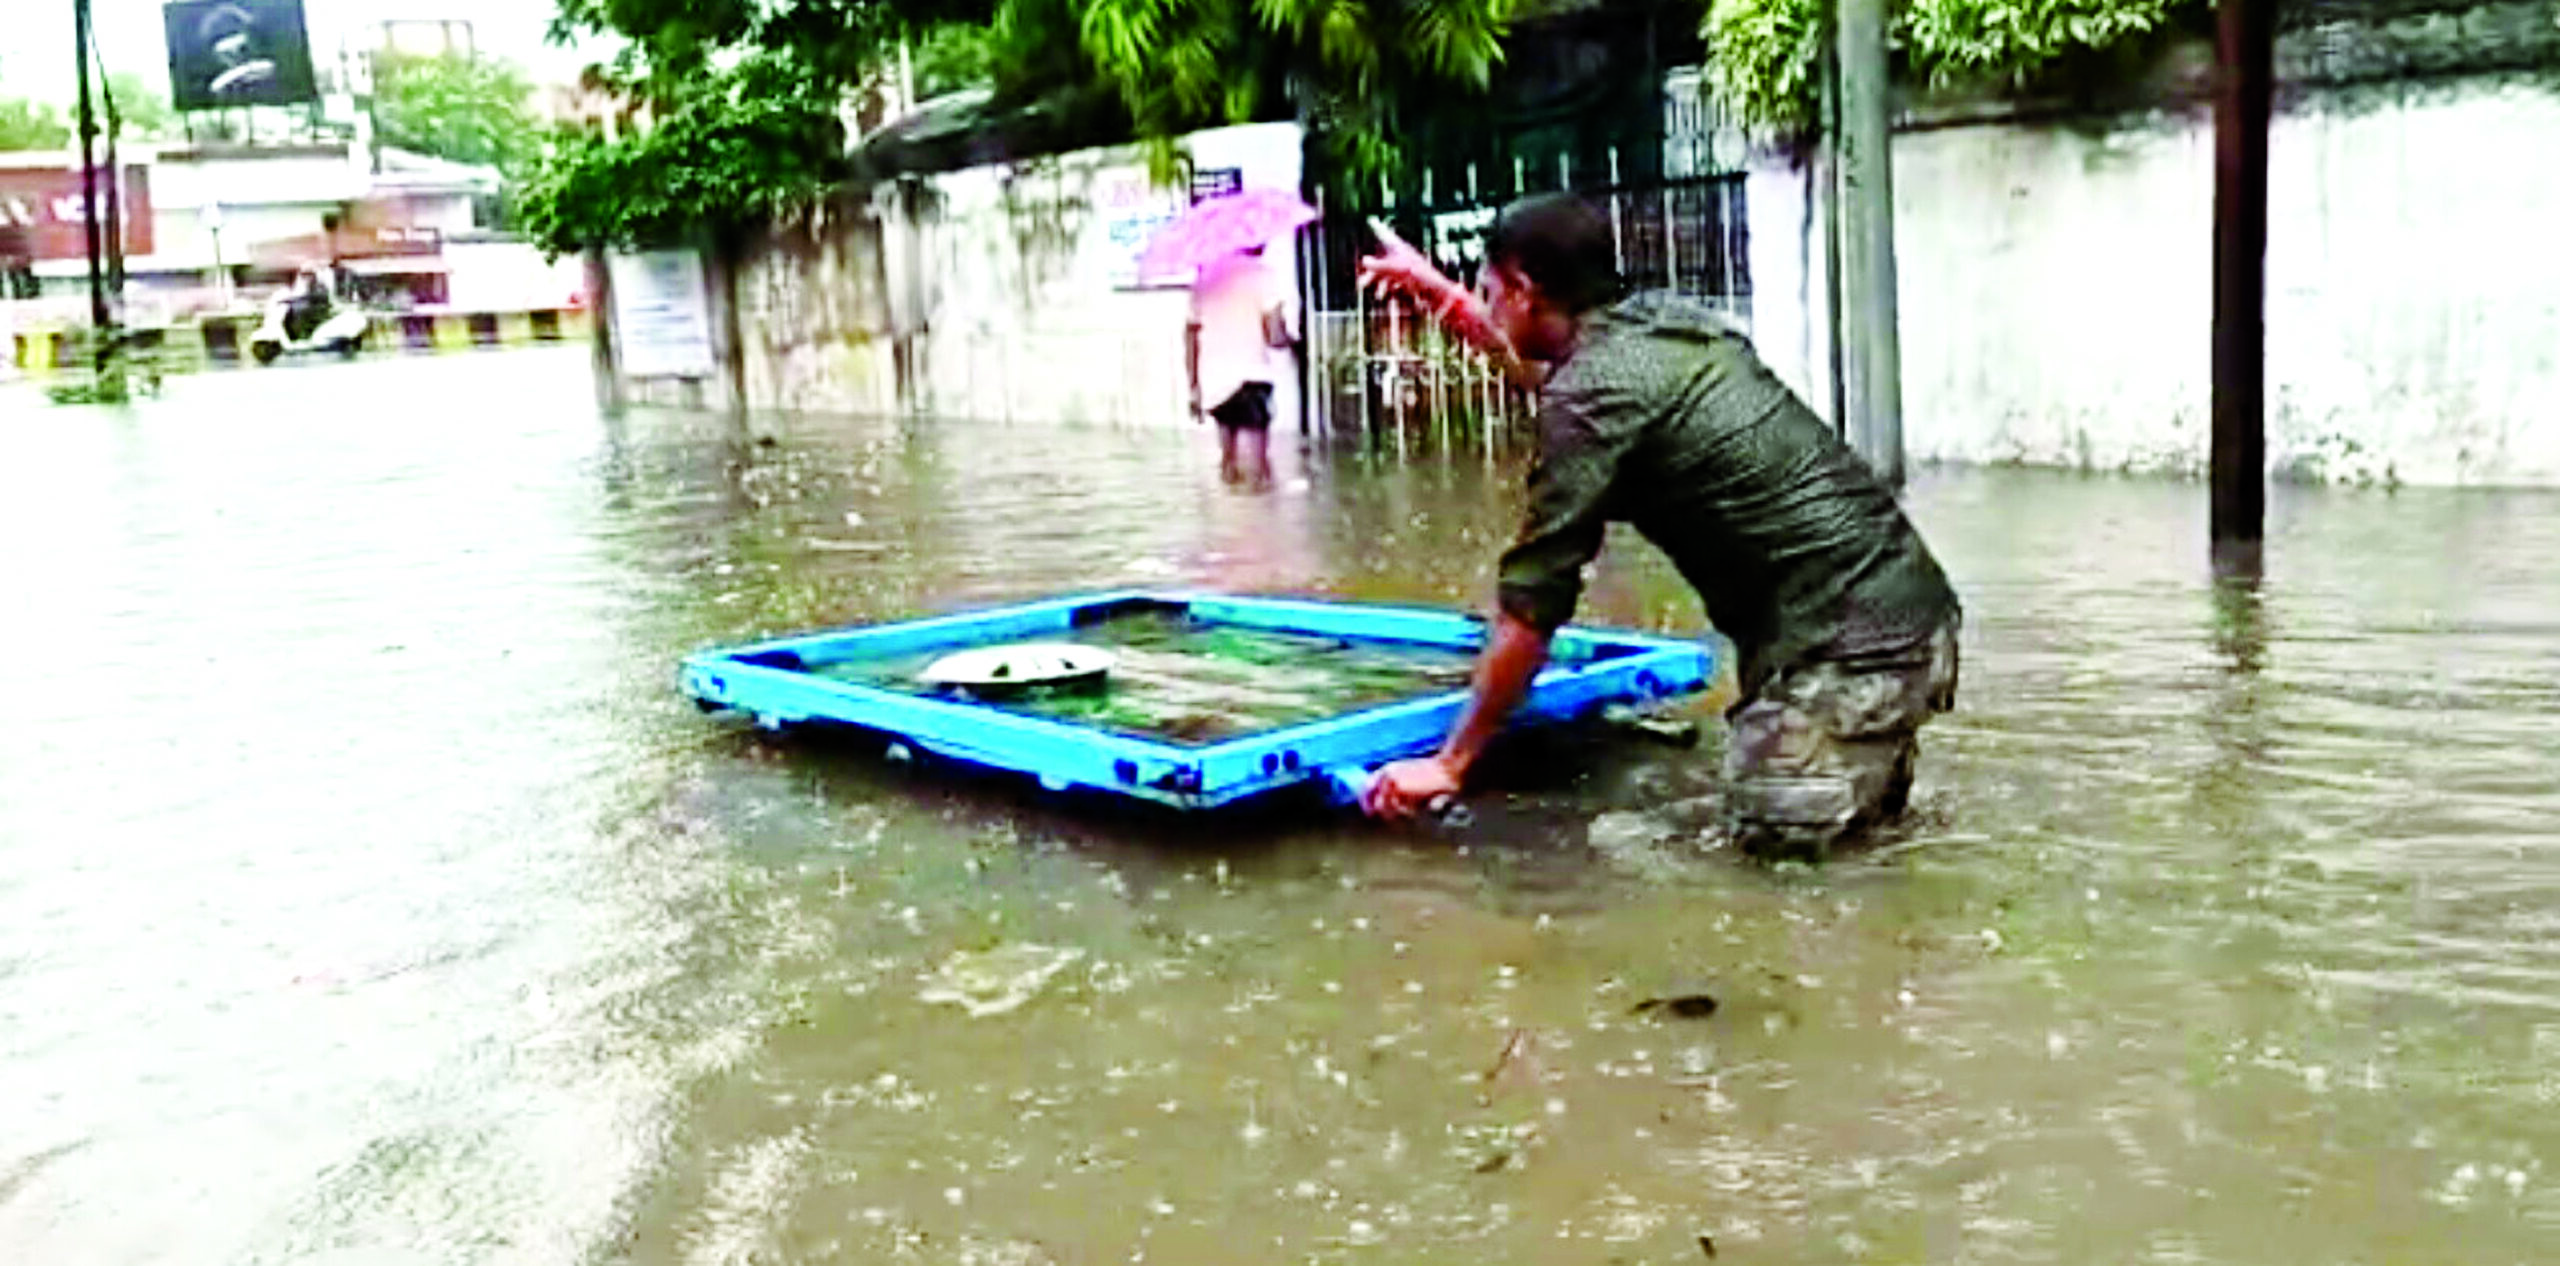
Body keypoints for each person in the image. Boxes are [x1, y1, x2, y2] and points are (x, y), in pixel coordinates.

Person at [1354, 195, 1963, 860]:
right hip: (1904, 616)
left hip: (1854, 649)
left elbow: (1532, 608)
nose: (1488, 306)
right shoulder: (1663, 327)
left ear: (1525, 291)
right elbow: (1540, 364)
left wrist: (1451, 762)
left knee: (1755, 860)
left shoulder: (1591, 397)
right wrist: (1441, 295)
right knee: (1861, 847)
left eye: (1489, 290)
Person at [1187, 243, 1297, 488]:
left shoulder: (1206, 279)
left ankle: (1227, 519)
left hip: (1215, 383)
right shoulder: (1263, 275)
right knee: (1258, 472)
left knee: (1229, 465)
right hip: (1251, 379)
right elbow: (1275, 336)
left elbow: (1191, 335)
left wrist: (1194, 387)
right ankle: (1259, 521)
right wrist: (1295, 343)